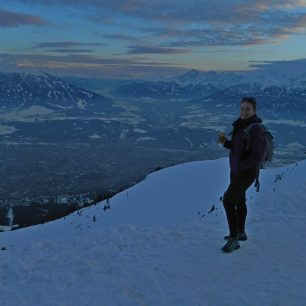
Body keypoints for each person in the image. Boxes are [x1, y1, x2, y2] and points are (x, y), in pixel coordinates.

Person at [218, 97, 266, 253]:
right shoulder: (240, 125)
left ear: (254, 111)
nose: (244, 112)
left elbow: (258, 155)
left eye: (247, 109)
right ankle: (241, 233)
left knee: (228, 201)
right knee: (240, 201)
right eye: (242, 108)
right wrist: (226, 143)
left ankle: (234, 240)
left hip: (246, 172)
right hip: (237, 171)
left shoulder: (256, 129)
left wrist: (241, 166)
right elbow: (239, 148)